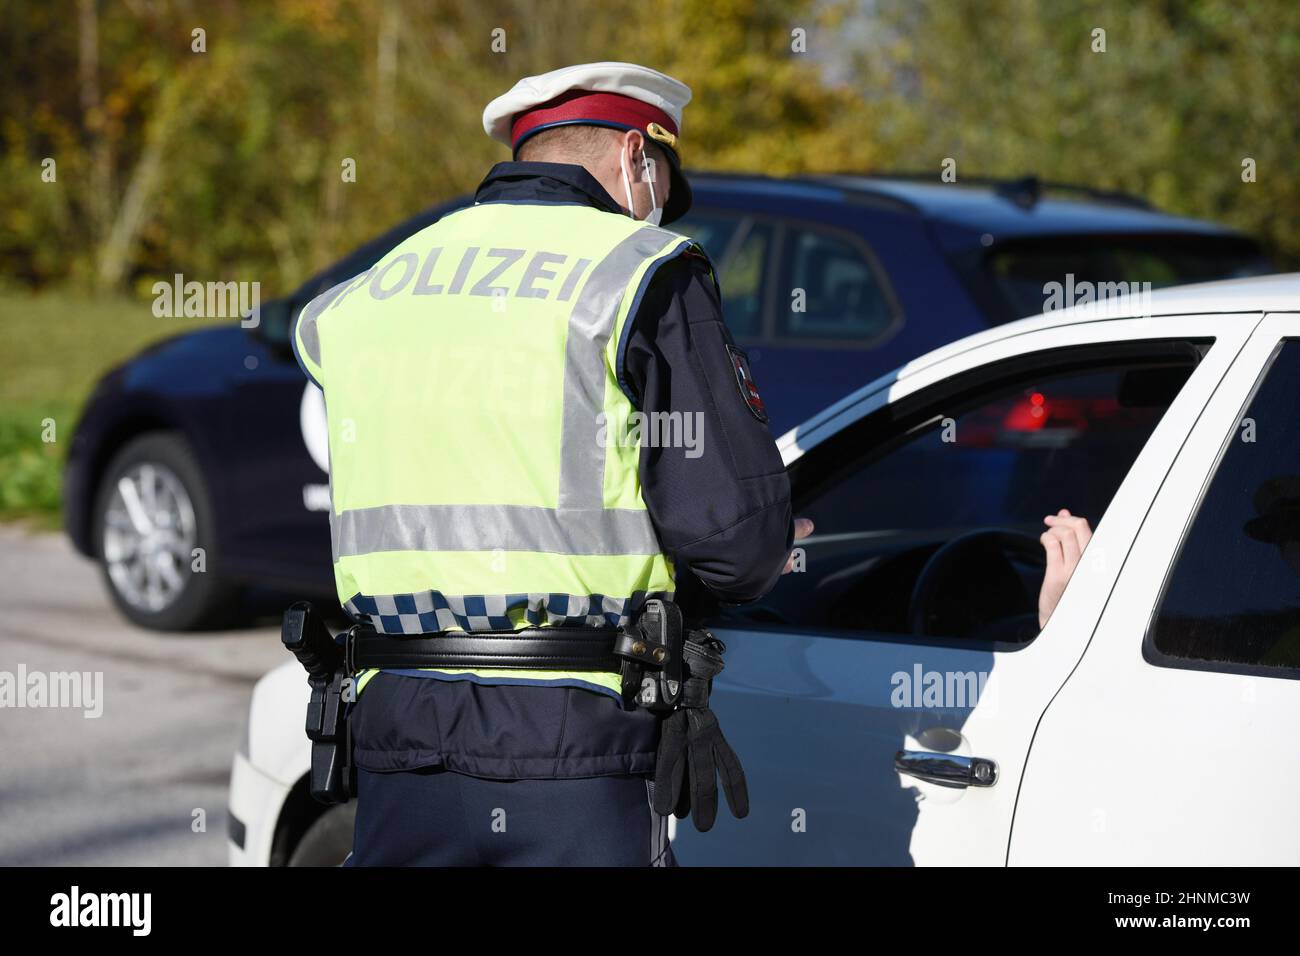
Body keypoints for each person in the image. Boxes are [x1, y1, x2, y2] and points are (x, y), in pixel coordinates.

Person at [291, 62, 807, 866]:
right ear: (638, 155)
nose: (667, 199)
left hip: (393, 725)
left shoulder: (372, 290)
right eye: (667, 173)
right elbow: (733, 540)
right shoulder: (640, 269)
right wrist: (767, 545)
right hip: (576, 733)